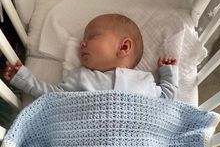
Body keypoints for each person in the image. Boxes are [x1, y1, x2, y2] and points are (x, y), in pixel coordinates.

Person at [4, 14, 178, 99]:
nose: (82, 44)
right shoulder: (80, 76)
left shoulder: (145, 80)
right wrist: (24, 78)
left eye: (92, 37)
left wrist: (168, 74)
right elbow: (52, 96)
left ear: (124, 47)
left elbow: (166, 99)